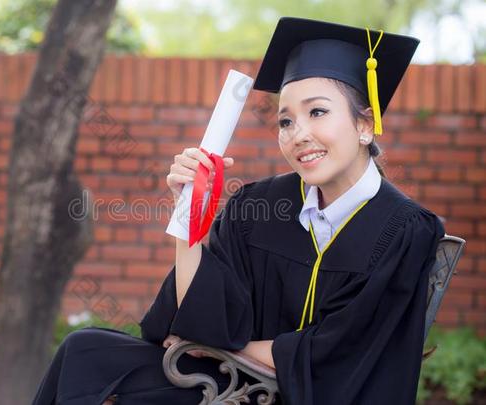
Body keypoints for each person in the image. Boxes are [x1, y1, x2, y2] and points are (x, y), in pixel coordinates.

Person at [31, 16, 445, 405]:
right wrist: (187, 214)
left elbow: (347, 350)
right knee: (84, 352)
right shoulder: (260, 205)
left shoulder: (405, 228)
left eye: (317, 112)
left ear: (364, 125)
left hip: (310, 392)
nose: (299, 134)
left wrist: (235, 350)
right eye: (285, 121)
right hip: (233, 384)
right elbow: (199, 323)